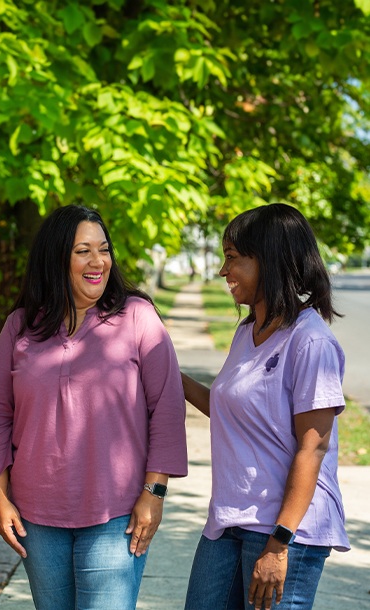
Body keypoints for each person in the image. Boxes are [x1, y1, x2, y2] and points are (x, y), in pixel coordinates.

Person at [0, 205, 187, 610]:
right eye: (82, 251)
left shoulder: (138, 318)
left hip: (117, 513)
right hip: (36, 516)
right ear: (56, 259)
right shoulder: (20, 327)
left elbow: (166, 408)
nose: (98, 262)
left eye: (104, 249)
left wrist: (154, 493)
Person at [182, 203, 349, 610]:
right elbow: (230, 410)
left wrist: (279, 544)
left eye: (233, 258)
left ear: (269, 261)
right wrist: (164, 373)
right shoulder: (247, 331)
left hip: (285, 531)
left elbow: (313, 446)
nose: (223, 271)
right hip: (229, 520)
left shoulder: (310, 342)